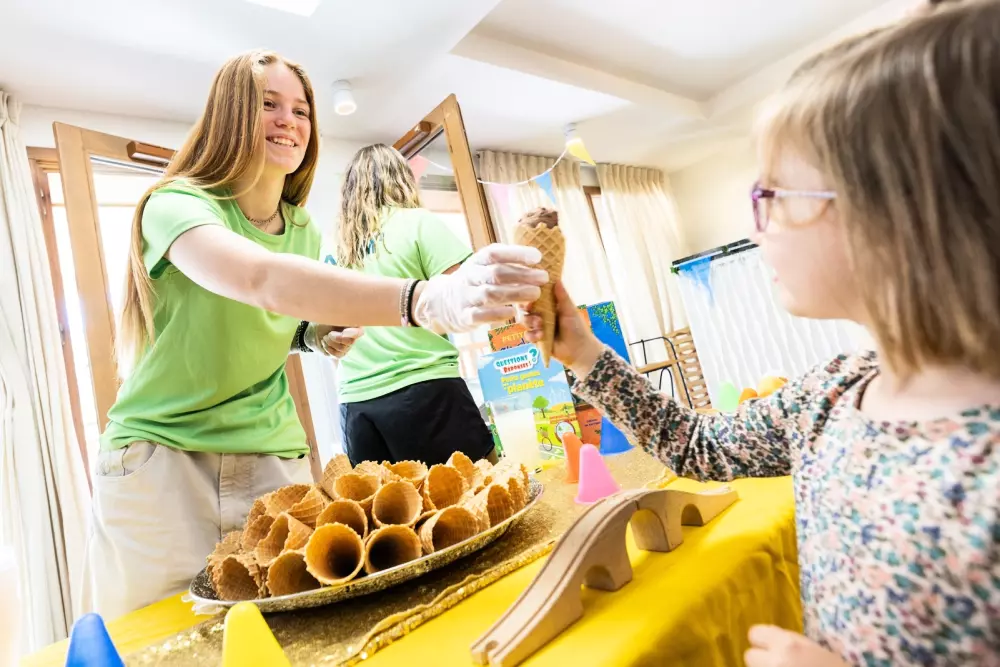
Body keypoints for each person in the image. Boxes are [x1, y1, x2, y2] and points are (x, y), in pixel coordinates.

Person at [524, 2, 999, 665]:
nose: (755, 226)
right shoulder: (830, 395)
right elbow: (696, 445)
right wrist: (583, 352)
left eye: (772, 197)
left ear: (898, 215)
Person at [84, 50, 547, 619]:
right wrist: (424, 299)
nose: (290, 120)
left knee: (288, 632)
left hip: (270, 458)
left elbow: (263, 318)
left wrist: (310, 336)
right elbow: (258, 280)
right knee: (161, 638)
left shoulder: (302, 228)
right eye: (268, 104)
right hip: (164, 458)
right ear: (229, 113)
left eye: (301, 110)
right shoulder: (173, 204)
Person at [332, 144, 497, 466]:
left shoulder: (337, 248)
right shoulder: (417, 222)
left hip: (356, 406)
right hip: (423, 389)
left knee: (389, 501)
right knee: (484, 488)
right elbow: (462, 298)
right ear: (401, 179)